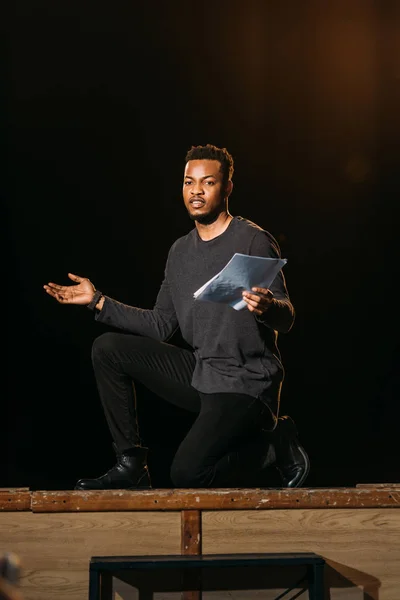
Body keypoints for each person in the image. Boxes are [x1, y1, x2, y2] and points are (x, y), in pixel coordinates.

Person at [44, 143, 310, 490]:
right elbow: (161, 324)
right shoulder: (180, 251)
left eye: (208, 182)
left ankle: (275, 445)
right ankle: (130, 465)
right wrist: (98, 302)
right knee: (108, 348)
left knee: (187, 475)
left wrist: (268, 307)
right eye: (189, 182)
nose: (196, 191)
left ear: (227, 187)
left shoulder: (252, 239)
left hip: (246, 383)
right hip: (203, 373)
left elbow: (286, 317)